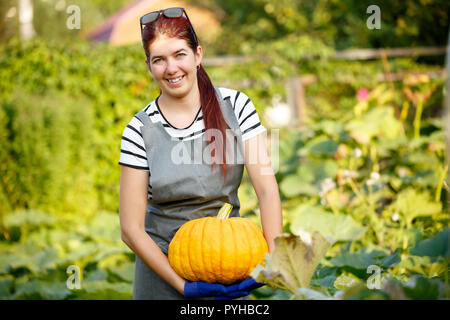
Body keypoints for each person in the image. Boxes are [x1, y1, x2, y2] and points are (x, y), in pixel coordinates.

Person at [118, 7, 282, 300]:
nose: (171, 68)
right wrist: (183, 286)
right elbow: (130, 229)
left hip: (227, 264)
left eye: (180, 54)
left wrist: (274, 264)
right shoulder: (139, 130)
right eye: (159, 60)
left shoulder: (236, 107)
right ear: (149, 65)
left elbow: (267, 192)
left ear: (198, 55)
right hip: (161, 275)